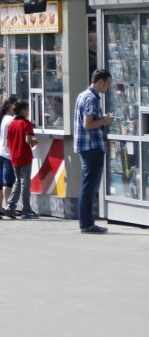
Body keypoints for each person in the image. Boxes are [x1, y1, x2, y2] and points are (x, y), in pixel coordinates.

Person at [74, 69, 113, 234]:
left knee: (87, 185)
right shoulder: (91, 98)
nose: (108, 87)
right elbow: (88, 124)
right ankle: (87, 223)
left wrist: (101, 119)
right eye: (108, 84)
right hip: (92, 147)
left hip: (86, 146)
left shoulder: (83, 95)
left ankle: (86, 222)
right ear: (100, 82)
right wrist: (105, 120)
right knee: (89, 186)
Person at [6, 100, 39, 220]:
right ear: (23, 111)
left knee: (17, 182)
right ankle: (26, 209)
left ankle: (10, 206)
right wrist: (34, 141)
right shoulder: (26, 124)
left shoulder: (11, 124)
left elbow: (7, 142)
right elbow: (28, 140)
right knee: (25, 184)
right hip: (24, 156)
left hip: (14, 156)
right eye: (28, 110)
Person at [0, 96, 18, 218]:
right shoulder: (11, 120)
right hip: (7, 154)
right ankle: (9, 207)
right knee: (8, 182)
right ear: (12, 106)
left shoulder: (2, 118)